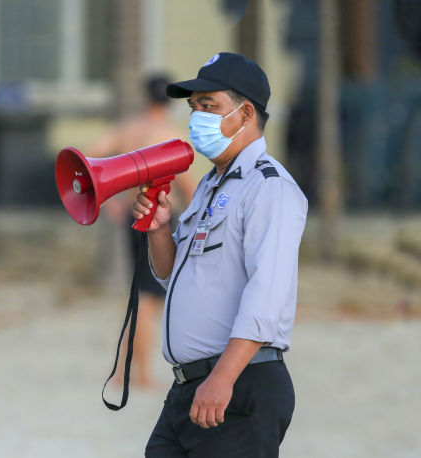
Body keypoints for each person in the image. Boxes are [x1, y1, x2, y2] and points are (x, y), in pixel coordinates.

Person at [132, 53, 308, 457]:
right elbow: (172, 277)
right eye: (194, 108)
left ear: (245, 113)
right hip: (190, 389)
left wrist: (222, 380)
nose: (197, 118)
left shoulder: (269, 188)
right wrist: (160, 230)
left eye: (209, 106)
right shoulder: (213, 184)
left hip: (236, 386)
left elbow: (268, 295)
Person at [85, 75, 195, 388]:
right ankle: (139, 373)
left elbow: (89, 157)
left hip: (131, 217)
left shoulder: (128, 128)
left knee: (138, 295)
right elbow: (190, 187)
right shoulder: (169, 134)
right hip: (158, 220)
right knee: (148, 298)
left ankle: (123, 369)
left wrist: (111, 201)